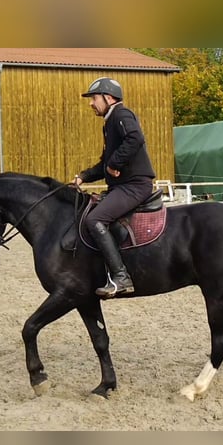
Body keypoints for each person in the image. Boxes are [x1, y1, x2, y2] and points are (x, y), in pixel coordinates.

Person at [72, 77, 157, 297]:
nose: (91, 103)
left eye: (94, 98)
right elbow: (105, 163)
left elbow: (135, 138)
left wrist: (114, 163)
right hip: (123, 187)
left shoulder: (121, 114)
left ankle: (121, 277)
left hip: (135, 186)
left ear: (108, 98)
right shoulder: (109, 123)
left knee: (95, 219)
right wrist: (83, 177)